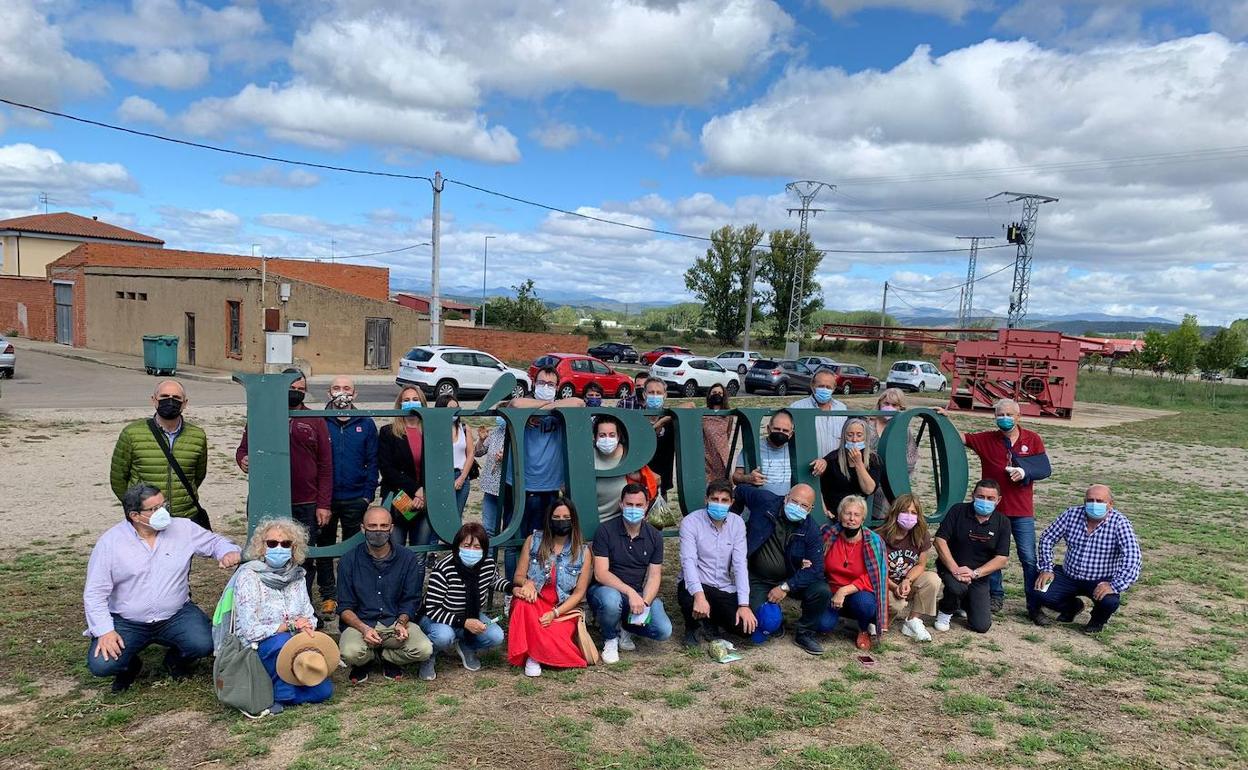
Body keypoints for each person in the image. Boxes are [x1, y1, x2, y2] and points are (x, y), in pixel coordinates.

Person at [84, 484, 241, 692]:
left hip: (176, 614)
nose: (163, 512)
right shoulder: (110, 543)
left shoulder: (183, 528)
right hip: (127, 621)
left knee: (205, 643)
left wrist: (227, 552)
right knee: (101, 665)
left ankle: (177, 659)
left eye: (164, 505)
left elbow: (214, 543)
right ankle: (128, 666)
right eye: (154, 509)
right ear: (135, 515)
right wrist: (105, 631)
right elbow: (95, 593)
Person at [236, 368, 333, 591]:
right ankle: (263, 597)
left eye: (301, 389)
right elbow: (243, 450)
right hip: (267, 498)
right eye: (292, 388)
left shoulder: (315, 420)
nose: (296, 393)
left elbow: (326, 466)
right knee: (264, 551)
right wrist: (243, 460)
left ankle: (303, 600)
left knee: (303, 556)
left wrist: (323, 504)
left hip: (305, 502)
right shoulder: (262, 416)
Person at [231, 517, 332, 711]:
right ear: (262, 547)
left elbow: (308, 614)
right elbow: (249, 630)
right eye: (272, 543)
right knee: (281, 641)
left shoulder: (298, 576)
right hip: (260, 646)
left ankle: (280, 692)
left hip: (296, 645)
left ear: (294, 548)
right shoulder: (248, 576)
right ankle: (281, 689)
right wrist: (290, 626)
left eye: (286, 543)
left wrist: (306, 625)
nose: (279, 547)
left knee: (324, 692)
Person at [963, 398, 1050, 614]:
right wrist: (941, 417)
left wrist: (1025, 472)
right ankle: (995, 596)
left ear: (1018, 416)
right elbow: (961, 438)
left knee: (1028, 557)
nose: (1004, 419)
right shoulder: (986, 439)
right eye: (1000, 415)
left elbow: (1044, 468)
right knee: (992, 555)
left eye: (1009, 414)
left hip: (1022, 511)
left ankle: (1034, 604)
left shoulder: (1033, 439)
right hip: (993, 511)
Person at [336, 506, 433, 683]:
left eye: (383, 526)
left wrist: (402, 623)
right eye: (372, 526)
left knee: (424, 649)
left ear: (392, 528)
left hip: (394, 623)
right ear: (362, 528)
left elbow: (411, 599)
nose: (378, 531)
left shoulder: (407, 558)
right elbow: (344, 606)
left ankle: (385, 657)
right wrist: (363, 628)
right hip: (362, 624)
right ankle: (366, 659)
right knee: (350, 653)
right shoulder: (348, 560)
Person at [1031, 485, 1141, 633]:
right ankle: (1072, 607)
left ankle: (1097, 621)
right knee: (1040, 591)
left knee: (1110, 601)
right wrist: (1046, 568)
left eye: (1100, 501)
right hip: (1068, 574)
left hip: (1100, 579)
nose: (1094, 504)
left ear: (1110, 504)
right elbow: (1047, 538)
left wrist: (1114, 585)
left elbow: (1132, 557)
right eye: (1090, 500)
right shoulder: (1071, 514)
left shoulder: (1120, 523)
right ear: (1084, 502)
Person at [735, 482, 831, 655]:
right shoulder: (765, 501)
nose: (797, 507)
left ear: (810, 509)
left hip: (791, 578)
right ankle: (775, 622)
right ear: (786, 497)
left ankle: (804, 634)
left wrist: (786, 587)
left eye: (803, 505)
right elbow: (740, 490)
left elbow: (816, 569)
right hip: (758, 577)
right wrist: (733, 519)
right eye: (794, 501)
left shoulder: (812, 530)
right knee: (760, 624)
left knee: (821, 590)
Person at [505, 366, 583, 574]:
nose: (545, 387)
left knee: (544, 540)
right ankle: (513, 589)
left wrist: (547, 406)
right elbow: (515, 403)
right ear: (533, 384)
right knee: (515, 541)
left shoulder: (560, 411)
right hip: (519, 485)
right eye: (541, 383)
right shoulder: (524, 406)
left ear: (557, 387)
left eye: (551, 384)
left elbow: (579, 402)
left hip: (549, 487)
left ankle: (536, 583)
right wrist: (542, 406)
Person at [508, 497, 593, 677]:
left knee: (555, 634)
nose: (561, 521)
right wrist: (528, 583)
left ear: (573, 520)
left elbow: (579, 593)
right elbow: (518, 577)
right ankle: (534, 656)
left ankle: (536, 651)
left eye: (566, 517)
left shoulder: (582, 551)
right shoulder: (533, 541)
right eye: (556, 517)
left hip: (561, 608)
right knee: (523, 606)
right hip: (535, 600)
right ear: (549, 519)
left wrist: (556, 613)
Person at [109, 380, 211, 528]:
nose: (170, 401)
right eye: (164, 396)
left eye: (176, 398)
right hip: (147, 519)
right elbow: (118, 478)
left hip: (185, 517)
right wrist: (139, 506)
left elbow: (197, 476)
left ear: (185, 403)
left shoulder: (198, 436)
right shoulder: (132, 434)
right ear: (154, 400)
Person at [590, 484, 673, 663]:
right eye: (629, 504)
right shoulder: (605, 530)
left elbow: (654, 576)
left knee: (663, 630)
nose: (633, 509)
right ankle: (610, 638)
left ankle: (626, 626)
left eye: (638, 505)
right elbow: (600, 574)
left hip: (637, 595)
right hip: (606, 589)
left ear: (646, 505)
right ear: (621, 504)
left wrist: (644, 602)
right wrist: (630, 592)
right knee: (611, 601)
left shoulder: (655, 536)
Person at [318, 375, 379, 616]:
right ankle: (329, 595)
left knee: (354, 550)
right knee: (325, 546)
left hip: (356, 497)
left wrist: (367, 494)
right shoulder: (319, 420)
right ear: (328, 393)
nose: (341, 392)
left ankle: (349, 595)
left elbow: (373, 461)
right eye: (336, 388)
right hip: (326, 499)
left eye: (346, 388)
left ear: (355, 394)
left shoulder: (365, 422)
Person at [419, 523, 510, 680]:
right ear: (457, 546)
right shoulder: (443, 568)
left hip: (470, 613)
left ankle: (466, 645)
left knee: (496, 636)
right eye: (466, 545)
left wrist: (513, 588)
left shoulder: (487, 564)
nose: (471, 551)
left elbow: (493, 581)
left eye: (477, 547)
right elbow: (432, 609)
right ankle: (429, 656)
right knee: (444, 636)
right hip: (437, 617)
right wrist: (464, 622)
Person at [678, 480, 757, 646]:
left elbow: (740, 564)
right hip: (698, 583)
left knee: (745, 629)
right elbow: (689, 562)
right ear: (706, 500)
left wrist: (744, 604)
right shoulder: (690, 522)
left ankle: (710, 620)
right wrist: (699, 596)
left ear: (731, 502)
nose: (719, 504)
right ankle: (692, 626)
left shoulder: (737, 523)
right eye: (714, 499)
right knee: (688, 595)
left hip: (723, 585)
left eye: (724, 500)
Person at [933, 480, 1011, 634]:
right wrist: (955, 569)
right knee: (957, 587)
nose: (985, 501)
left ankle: (963, 603)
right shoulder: (958, 511)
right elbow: (939, 541)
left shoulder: (1003, 522)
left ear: (998, 500)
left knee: (981, 626)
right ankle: (945, 611)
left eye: (990, 498)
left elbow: (1002, 558)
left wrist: (975, 573)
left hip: (978, 575)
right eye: (981, 496)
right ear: (973, 495)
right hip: (951, 568)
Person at [377, 386, 436, 587]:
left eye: (415, 398)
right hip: (397, 498)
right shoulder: (388, 432)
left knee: (419, 555)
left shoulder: (431, 431)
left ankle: (414, 599)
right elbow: (387, 469)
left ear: (422, 403)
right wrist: (415, 489)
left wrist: (424, 492)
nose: (411, 402)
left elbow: (437, 466)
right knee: (394, 551)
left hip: (426, 500)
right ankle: (392, 597)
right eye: (406, 399)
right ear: (400, 403)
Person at [818, 495, 889, 651]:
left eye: (856, 515)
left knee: (864, 604)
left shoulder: (874, 541)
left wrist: (844, 591)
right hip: (832, 591)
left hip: (859, 592)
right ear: (839, 515)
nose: (851, 518)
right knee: (822, 626)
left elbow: (875, 577)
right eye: (847, 513)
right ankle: (837, 616)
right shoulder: (828, 535)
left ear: (863, 519)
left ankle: (863, 628)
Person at [875, 494, 940, 642]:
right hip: (884, 584)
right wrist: (894, 586)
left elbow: (921, 564)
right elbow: (877, 571)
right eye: (904, 511)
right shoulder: (880, 536)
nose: (909, 516)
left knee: (932, 579)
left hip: (905, 582)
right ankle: (877, 619)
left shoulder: (921, 534)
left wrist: (907, 581)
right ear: (895, 513)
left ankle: (913, 621)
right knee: (896, 606)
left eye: (914, 513)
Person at [819, 418, 882, 518]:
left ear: (865, 437)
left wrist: (859, 463)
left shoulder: (873, 459)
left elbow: (869, 489)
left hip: (856, 515)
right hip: (834, 514)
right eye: (850, 435)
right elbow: (819, 487)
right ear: (844, 437)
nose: (854, 439)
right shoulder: (833, 458)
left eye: (859, 435)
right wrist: (824, 509)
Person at [732, 410, 794, 497]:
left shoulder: (795, 449)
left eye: (785, 430)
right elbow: (735, 477)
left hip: (786, 501)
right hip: (760, 501)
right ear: (768, 429)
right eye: (776, 429)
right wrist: (748, 478)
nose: (780, 433)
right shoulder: (753, 447)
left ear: (790, 434)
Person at [789, 367, 847, 458]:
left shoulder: (841, 408)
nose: (824, 389)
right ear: (812, 386)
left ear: (834, 388)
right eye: (821, 386)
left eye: (828, 387)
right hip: (807, 465)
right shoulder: (797, 407)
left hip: (834, 467)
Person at [434, 393, 475, 515]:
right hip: (441, 476)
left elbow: (471, 453)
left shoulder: (464, 428)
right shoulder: (435, 429)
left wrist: (462, 478)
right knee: (440, 515)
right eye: (450, 409)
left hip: (460, 475)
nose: (454, 412)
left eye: (456, 408)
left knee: (456, 515)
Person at [868, 388, 919, 474]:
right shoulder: (867, 425)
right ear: (879, 403)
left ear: (900, 407)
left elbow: (911, 458)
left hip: (892, 476)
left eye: (894, 405)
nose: (889, 408)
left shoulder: (902, 429)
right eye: (886, 403)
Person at [593, 416, 629, 524]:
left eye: (612, 435)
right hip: (588, 520)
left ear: (618, 437)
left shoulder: (628, 455)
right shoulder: (587, 455)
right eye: (602, 435)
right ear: (595, 437)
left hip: (618, 522)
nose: (607, 439)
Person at [475, 418, 507, 537]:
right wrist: (482, 440)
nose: (499, 418)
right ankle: (489, 554)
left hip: (508, 487)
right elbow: (478, 452)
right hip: (490, 487)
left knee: (509, 526)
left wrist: (507, 456)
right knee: (488, 528)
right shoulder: (495, 432)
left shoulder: (519, 432)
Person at [702, 384, 737, 482]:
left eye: (719, 393)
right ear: (709, 395)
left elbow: (728, 433)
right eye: (714, 393)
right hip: (707, 455)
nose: (717, 395)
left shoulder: (728, 415)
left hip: (722, 454)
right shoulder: (703, 414)